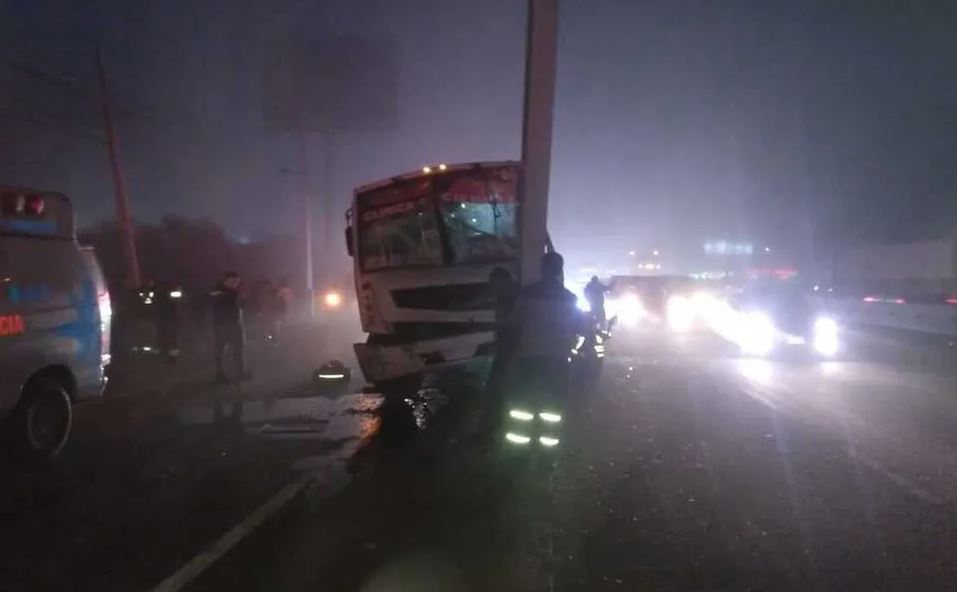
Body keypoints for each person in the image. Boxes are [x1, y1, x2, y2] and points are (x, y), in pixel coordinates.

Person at [502, 252, 581, 447]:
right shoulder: (570, 298)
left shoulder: (527, 295)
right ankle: (547, 448)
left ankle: (519, 446)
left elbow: (514, 325)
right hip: (557, 361)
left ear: (543, 268)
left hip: (529, 359)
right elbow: (577, 329)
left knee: (524, 405)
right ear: (559, 270)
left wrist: (510, 356)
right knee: (552, 408)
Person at [210, 271, 249, 382]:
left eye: (237, 282)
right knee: (220, 351)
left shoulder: (236, 292)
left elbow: (242, 305)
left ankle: (241, 372)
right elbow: (213, 298)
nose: (236, 283)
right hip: (222, 325)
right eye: (233, 281)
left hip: (235, 323)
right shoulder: (217, 290)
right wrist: (235, 294)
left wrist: (242, 297)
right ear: (226, 280)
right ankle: (219, 374)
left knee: (239, 349)